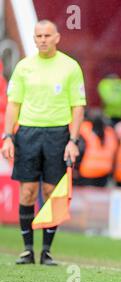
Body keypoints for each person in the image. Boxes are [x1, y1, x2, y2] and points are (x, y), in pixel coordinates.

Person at [1, 20, 85, 265]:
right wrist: (7, 136)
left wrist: (73, 140)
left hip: (57, 134)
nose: (43, 40)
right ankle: (27, 249)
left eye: (48, 35)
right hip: (27, 133)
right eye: (38, 35)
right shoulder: (24, 67)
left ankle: (46, 251)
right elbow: (13, 105)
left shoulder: (70, 67)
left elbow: (78, 106)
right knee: (27, 191)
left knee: (51, 192)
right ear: (34, 38)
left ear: (57, 37)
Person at [73, 109, 118, 187]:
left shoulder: (84, 130)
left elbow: (79, 150)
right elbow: (115, 152)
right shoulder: (110, 132)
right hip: (105, 171)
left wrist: (75, 168)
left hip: (87, 172)